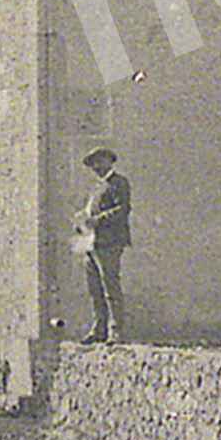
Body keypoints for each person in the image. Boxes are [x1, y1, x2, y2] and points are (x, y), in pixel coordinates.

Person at [77, 147, 130, 344]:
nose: (96, 167)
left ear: (109, 161)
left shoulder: (118, 183)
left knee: (110, 287)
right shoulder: (98, 187)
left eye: (99, 162)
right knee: (94, 288)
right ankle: (99, 329)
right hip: (92, 243)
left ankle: (116, 331)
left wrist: (97, 220)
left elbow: (122, 209)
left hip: (110, 242)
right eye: (93, 164)